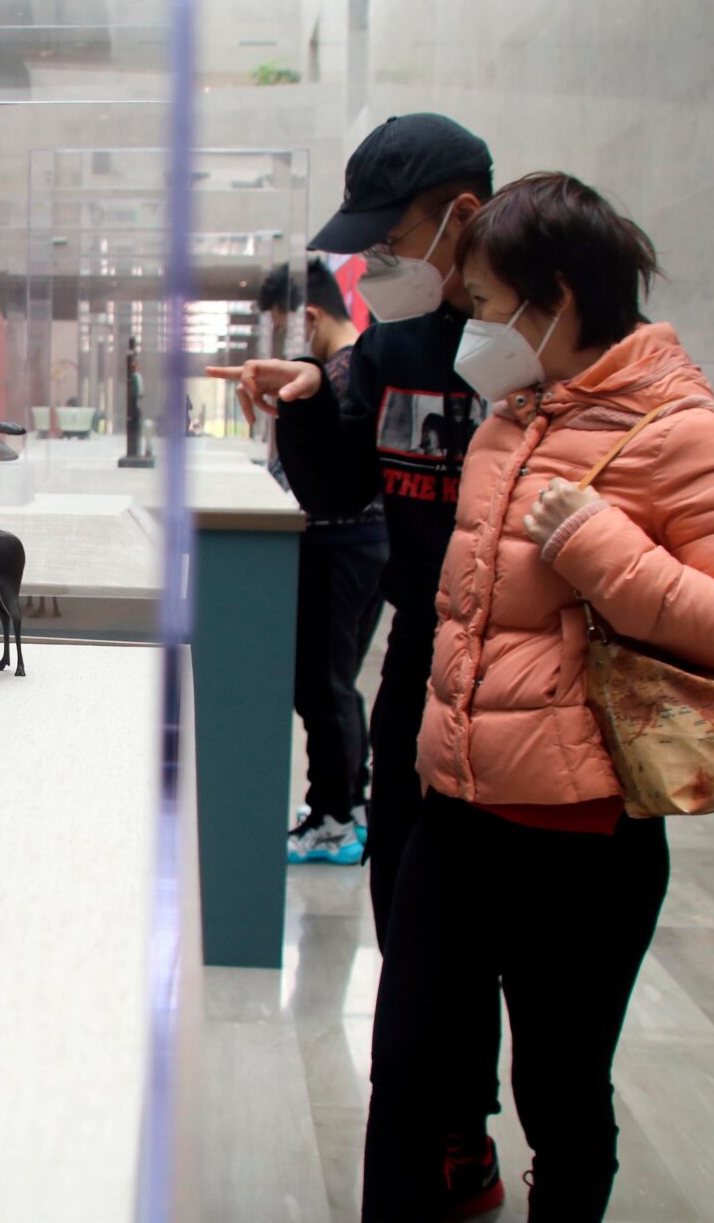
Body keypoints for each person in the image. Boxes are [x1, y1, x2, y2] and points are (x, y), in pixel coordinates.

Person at [361, 173, 714, 1221]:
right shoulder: (511, 416)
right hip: (455, 812)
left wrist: (599, 545)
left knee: (559, 1091)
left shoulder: (681, 431)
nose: (474, 327)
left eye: (488, 303)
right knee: (410, 1075)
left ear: (556, 297)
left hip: (582, 835)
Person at [208, 114, 508, 1215]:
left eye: (393, 236)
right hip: (422, 664)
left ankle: (468, 1125)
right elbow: (342, 492)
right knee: (412, 920)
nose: (373, 261)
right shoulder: (388, 345)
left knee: (493, 932)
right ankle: (445, 1133)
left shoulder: (542, 338)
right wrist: (300, 406)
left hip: (532, 678)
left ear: (461, 215)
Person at [253, 259, 387, 865]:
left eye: (287, 327)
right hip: (349, 547)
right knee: (331, 686)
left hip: (341, 548)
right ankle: (341, 805)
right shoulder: (344, 369)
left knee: (324, 687)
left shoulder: (345, 370)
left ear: (308, 316)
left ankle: (335, 818)